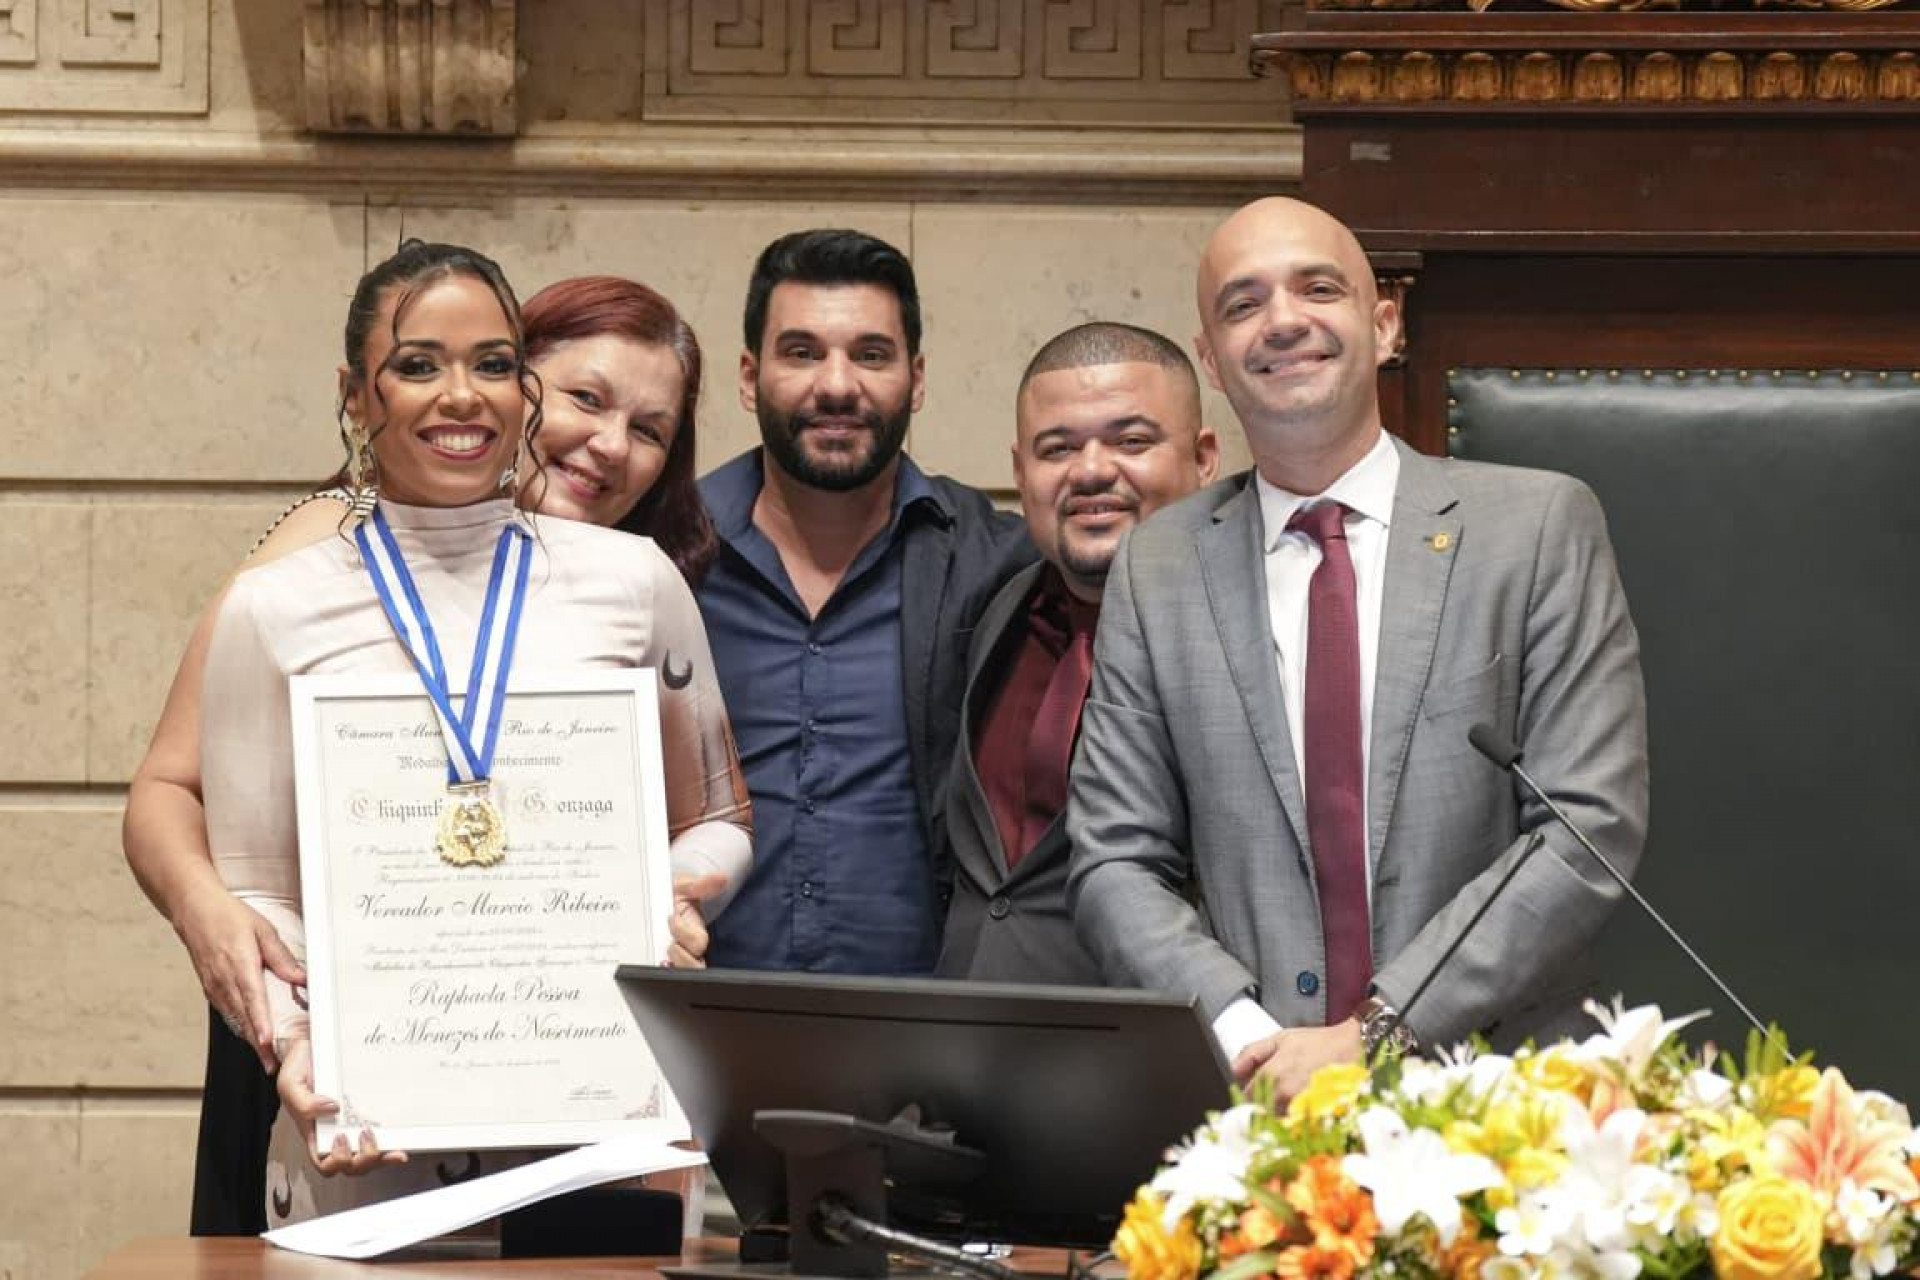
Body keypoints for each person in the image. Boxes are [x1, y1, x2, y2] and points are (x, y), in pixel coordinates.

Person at [123, 273, 729, 1233]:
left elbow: (708, 821)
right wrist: (215, 920)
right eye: (583, 398)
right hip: (335, 1049)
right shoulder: (322, 558)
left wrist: (668, 900)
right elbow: (169, 784)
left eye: (650, 430)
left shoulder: (630, 587)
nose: (609, 444)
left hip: (563, 1084)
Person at [1066, 198, 1648, 1101]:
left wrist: (1380, 1031)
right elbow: (1113, 857)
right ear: (1214, 358)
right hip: (1254, 1108)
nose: (1284, 320)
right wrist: (1250, 1038)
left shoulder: (1536, 528)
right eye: (1243, 303)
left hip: (1503, 1105)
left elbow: (1585, 830)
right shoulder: (1160, 564)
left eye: (1319, 288)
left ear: (1384, 326)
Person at [697, 229, 1034, 975]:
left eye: (871, 354)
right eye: (803, 352)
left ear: (915, 380)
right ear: (750, 377)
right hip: (692, 1021)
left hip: (928, 1033)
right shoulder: (672, 557)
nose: (838, 384)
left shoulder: (997, 560)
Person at [935, 323, 1217, 985]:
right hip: (967, 1050)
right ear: (1019, 472)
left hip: (1158, 1061)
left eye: (1132, 441)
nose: (1090, 471)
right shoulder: (997, 613)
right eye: (1057, 448)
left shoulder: (1254, 640)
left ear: (1204, 458)